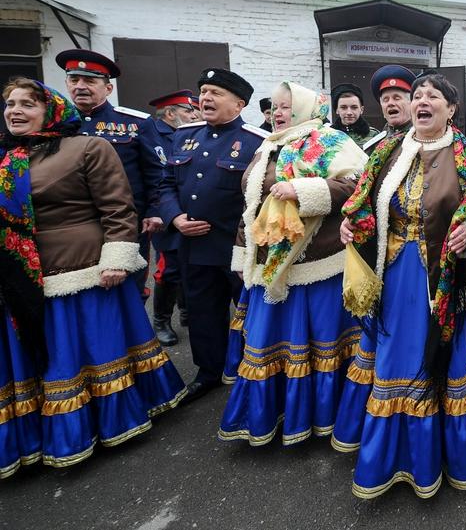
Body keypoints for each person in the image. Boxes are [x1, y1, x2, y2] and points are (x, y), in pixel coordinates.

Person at [331, 71, 466, 499]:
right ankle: (392, 458)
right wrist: (350, 225)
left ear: (451, 109)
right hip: (394, 276)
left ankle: (446, 455)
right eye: (417, 96)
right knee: (394, 359)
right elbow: (359, 201)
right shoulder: (389, 149)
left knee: (444, 359)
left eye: (433, 96)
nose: (421, 101)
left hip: (445, 279)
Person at [0, 78, 185, 477]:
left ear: (51, 111)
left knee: (75, 356)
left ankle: (97, 426)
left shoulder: (87, 147)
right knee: (38, 357)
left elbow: (119, 209)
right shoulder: (5, 159)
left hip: (78, 271)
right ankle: (39, 434)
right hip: (17, 278)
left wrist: (117, 258)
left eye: (27, 105)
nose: (15, 111)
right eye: (10, 104)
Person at [218, 81, 367, 446]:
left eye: (286, 106)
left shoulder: (331, 141)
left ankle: (323, 417)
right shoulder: (268, 146)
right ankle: (275, 415)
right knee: (271, 344)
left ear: (304, 108)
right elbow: (251, 207)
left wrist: (304, 191)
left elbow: (358, 186)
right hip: (270, 267)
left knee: (317, 345)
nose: (278, 113)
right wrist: (243, 252)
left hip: (317, 265)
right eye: (274, 107)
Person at [157, 68, 268, 404]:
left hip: (238, 249)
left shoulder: (257, 141)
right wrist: (174, 217)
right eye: (203, 92)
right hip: (194, 246)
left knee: (250, 313)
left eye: (215, 93)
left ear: (239, 103)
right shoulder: (184, 136)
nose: (205, 98)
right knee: (204, 313)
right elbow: (165, 184)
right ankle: (209, 372)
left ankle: (256, 370)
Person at [58, 49, 162, 294]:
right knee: (81, 287)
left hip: (125, 222)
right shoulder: (56, 124)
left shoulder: (135, 123)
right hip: (72, 224)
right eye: (74, 80)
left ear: (108, 89)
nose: (80, 86)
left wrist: (154, 210)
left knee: (128, 287)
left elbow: (156, 171)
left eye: (89, 81)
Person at [144, 89, 200, 345]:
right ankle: (161, 320)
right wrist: (156, 212)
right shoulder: (150, 135)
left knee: (191, 264)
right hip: (165, 214)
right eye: (188, 110)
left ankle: (187, 310)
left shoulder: (191, 134)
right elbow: (149, 178)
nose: (194, 114)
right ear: (170, 113)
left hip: (190, 211)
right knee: (169, 270)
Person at [359, 64, 415, 151]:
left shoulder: (423, 139)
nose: (390, 103)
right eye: (386, 100)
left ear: (411, 103)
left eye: (397, 98)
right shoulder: (374, 146)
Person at [331, 83, 380, 147]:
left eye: (354, 107)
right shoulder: (328, 135)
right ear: (337, 110)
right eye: (343, 107)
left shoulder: (374, 136)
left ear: (361, 109)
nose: (349, 112)